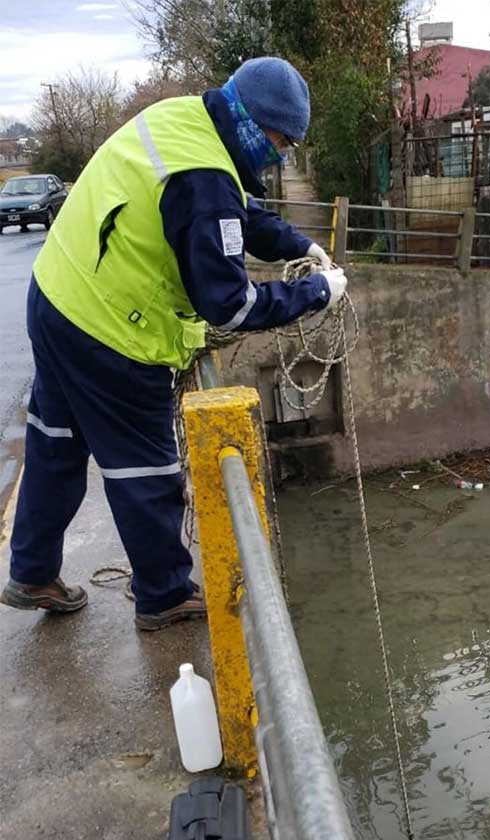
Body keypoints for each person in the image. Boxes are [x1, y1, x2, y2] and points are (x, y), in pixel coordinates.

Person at [1, 57, 347, 631]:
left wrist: (298, 244)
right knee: (147, 469)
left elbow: (238, 211)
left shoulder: (186, 120)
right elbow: (230, 306)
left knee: (55, 443)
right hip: (111, 327)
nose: (282, 154)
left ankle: (33, 571)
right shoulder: (204, 178)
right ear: (255, 123)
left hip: (58, 293)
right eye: (281, 141)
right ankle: (162, 594)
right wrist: (316, 293)